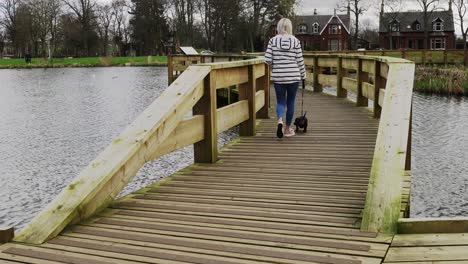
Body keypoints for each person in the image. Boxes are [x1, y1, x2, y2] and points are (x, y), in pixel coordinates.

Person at [265, 17, 306, 138]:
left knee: (281, 102)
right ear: (290, 27)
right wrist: (303, 76)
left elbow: (267, 60)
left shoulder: (272, 41)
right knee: (291, 102)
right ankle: (287, 129)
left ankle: (279, 122)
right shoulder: (295, 41)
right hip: (294, 76)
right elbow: (300, 61)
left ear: (278, 27)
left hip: (279, 76)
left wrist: (276, 64)